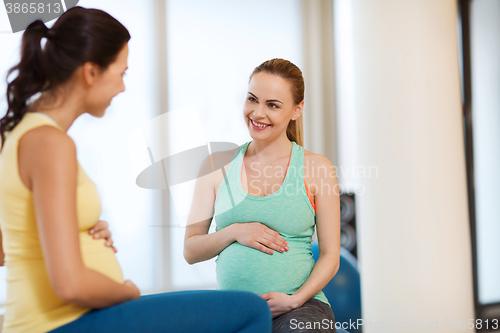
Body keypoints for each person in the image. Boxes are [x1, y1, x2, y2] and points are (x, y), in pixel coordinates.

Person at [0, 7, 271, 333]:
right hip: (60, 322)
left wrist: (78, 231)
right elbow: (69, 284)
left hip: (68, 318)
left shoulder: (19, 133)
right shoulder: (49, 143)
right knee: (251, 310)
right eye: (121, 73)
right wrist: (127, 291)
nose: (123, 88)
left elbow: (12, 243)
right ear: (90, 72)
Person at [184, 58, 341, 333]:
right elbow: (191, 250)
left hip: (301, 309)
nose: (257, 113)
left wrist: (295, 301)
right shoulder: (215, 166)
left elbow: (330, 255)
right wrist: (234, 231)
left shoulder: (317, 168)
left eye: (272, 105)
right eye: (252, 99)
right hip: (233, 310)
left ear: (297, 110)